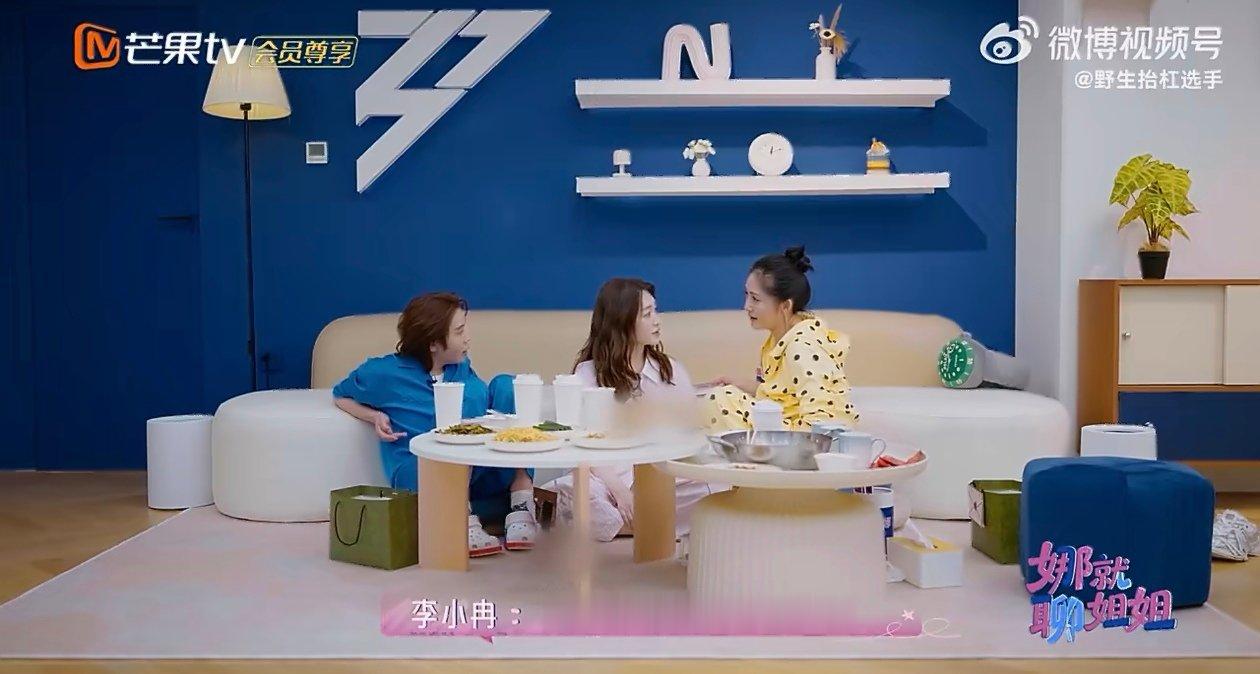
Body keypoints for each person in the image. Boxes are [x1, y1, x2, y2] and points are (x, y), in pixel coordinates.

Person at [332, 292, 537, 557]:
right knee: (419, 465)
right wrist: (373, 416)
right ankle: (462, 518)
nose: (468, 338)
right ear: (432, 343)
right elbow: (340, 395)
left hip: (475, 469)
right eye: (459, 331)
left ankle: (521, 503)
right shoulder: (382, 373)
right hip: (425, 475)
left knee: (509, 385)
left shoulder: (460, 366)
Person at [540, 278, 721, 541]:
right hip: (604, 478)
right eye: (647, 314)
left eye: (655, 311)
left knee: (715, 484)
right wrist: (620, 492)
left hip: (660, 476)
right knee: (572, 493)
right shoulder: (587, 374)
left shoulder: (670, 371)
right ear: (622, 321)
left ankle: (627, 523)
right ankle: (650, 522)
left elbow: (691, 434)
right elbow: (582, 446)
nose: (657, 320)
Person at [701, 246, 860, 430]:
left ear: (785, 306)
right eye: (746, 296)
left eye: (755, 299)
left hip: (812, 435)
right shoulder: (779, 338)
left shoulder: (802, 347)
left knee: (720, 399)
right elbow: (782, 396)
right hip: (791, 422)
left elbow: (822, 420)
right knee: (723, 395)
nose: (746, 306)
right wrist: (740, 384)